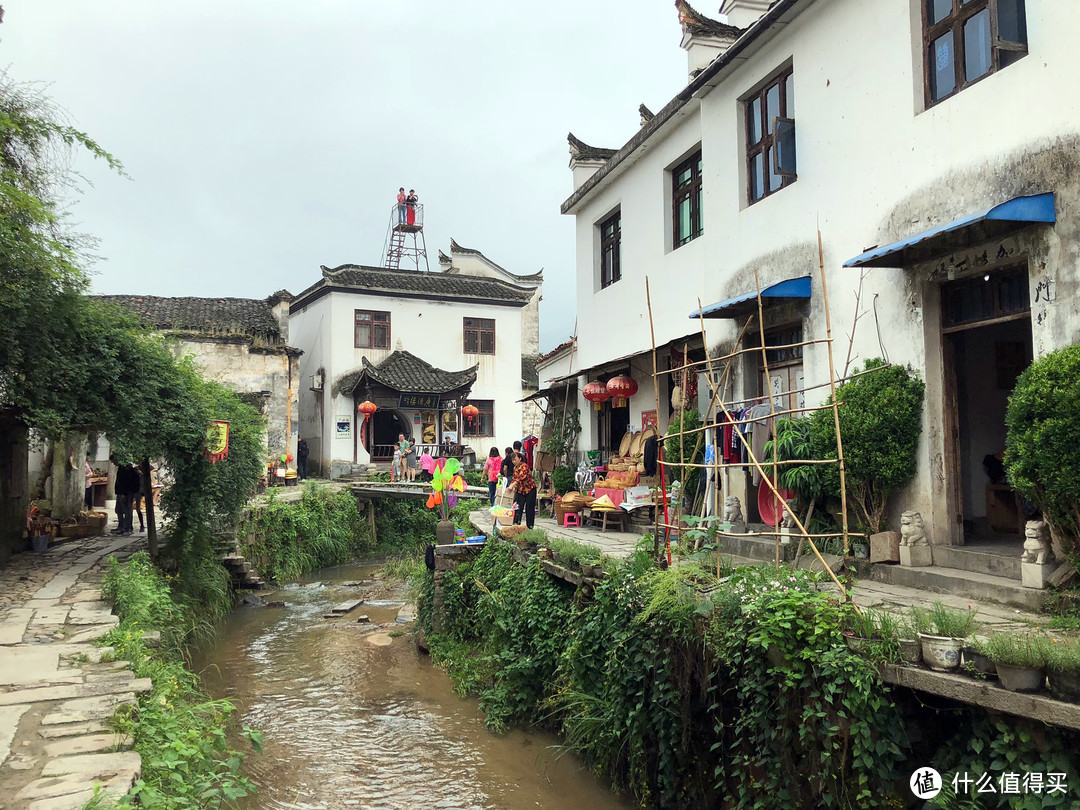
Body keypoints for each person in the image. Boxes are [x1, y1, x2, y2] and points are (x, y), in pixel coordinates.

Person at [508, 452, 537, 529]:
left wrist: (513, 485)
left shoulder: (524, 466)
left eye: (515, 459)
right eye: (512, 460)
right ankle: (516, 524)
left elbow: (521, 477)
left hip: (530, 489)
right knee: (518, 507)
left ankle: (530, 526)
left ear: (520, 459)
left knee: (529, 508)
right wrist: (511, 486)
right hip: (521, 490)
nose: (514, 461)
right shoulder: (515, 468)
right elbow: (514, 478)